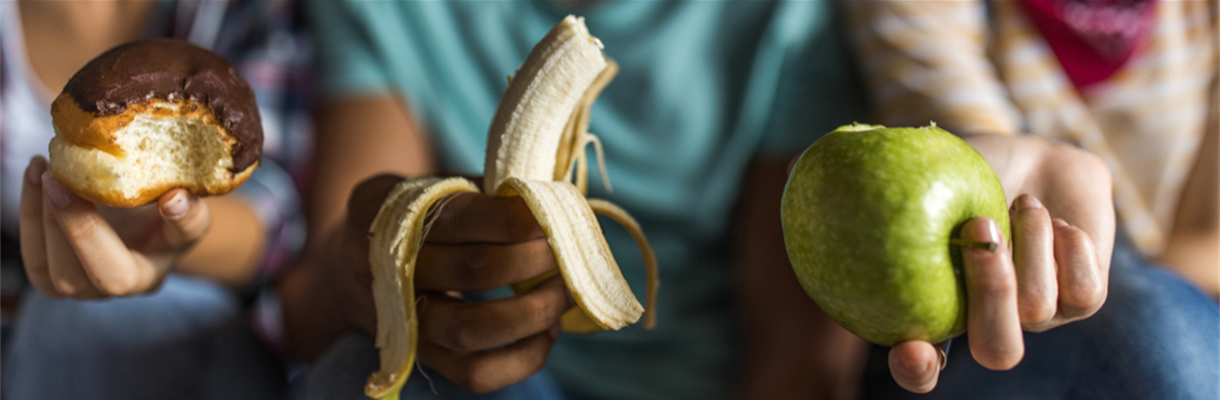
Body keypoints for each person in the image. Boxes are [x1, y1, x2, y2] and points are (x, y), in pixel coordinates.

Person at [282, 1, 1151, 399]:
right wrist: (375, 272)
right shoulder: (386, 11)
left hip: (734, 379)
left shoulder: (784, 17)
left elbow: (796, 361)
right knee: (352, 377)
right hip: (510, 381)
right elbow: (312, 307)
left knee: (1152, 333)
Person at [845, 1, 1219, 398]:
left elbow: (1206, 241)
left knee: (1148, 330)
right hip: (967, 324)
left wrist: (1120, 293)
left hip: (1168, 301)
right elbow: (951, 140)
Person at [1, 0, 311, 398]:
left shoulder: (245, 10)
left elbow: (276, 217)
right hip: (16, 318)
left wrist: (154, 230)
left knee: (84, 321)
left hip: (212, 331)